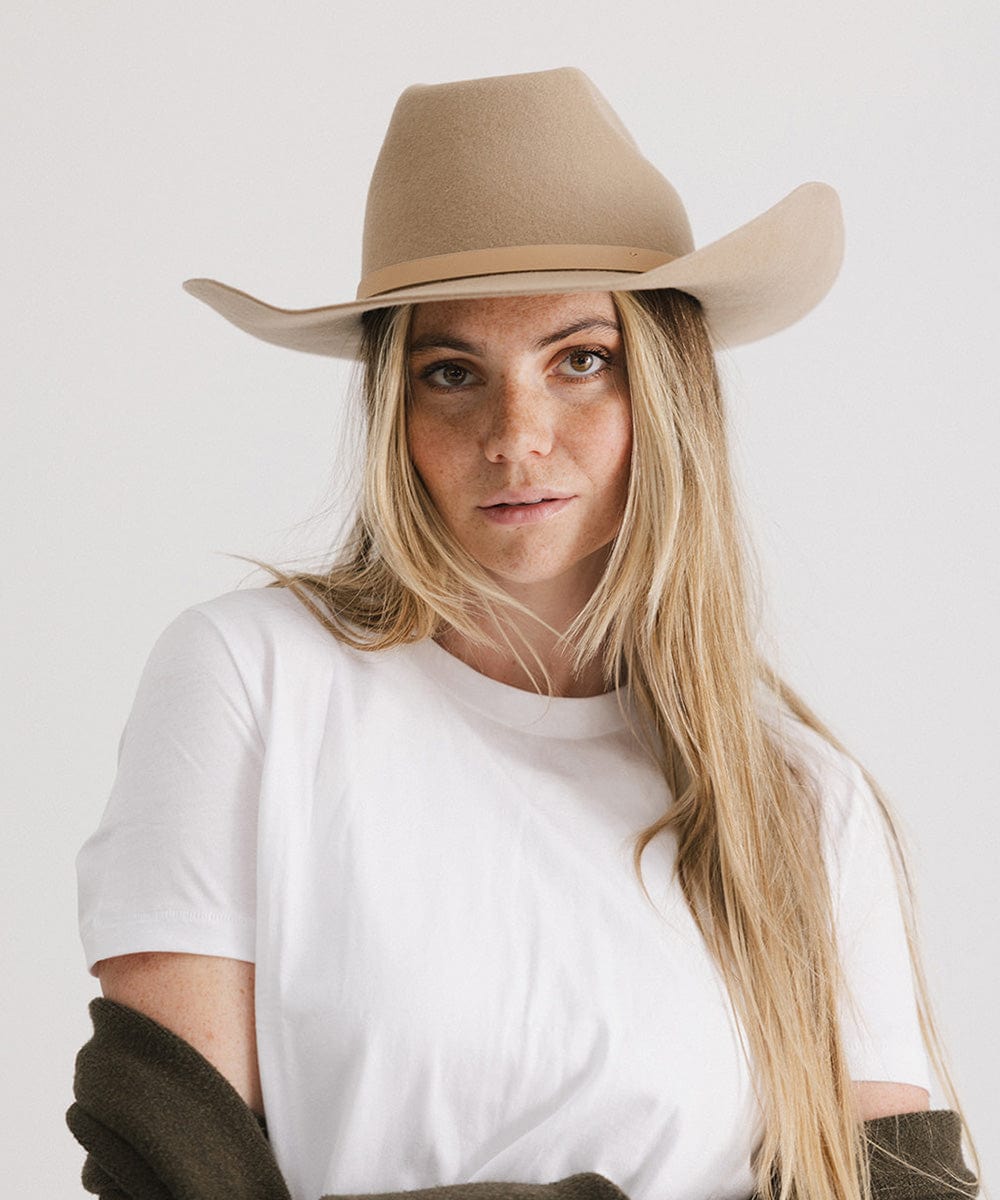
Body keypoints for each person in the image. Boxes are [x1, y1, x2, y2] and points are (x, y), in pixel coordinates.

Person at [68, 68, 980, 1200]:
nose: (514, 435)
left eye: (579, 360)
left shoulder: (794, 799)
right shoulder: (251, 680)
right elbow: (171, 1168)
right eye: (451, 373)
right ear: (393, 414)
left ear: (669, 391)